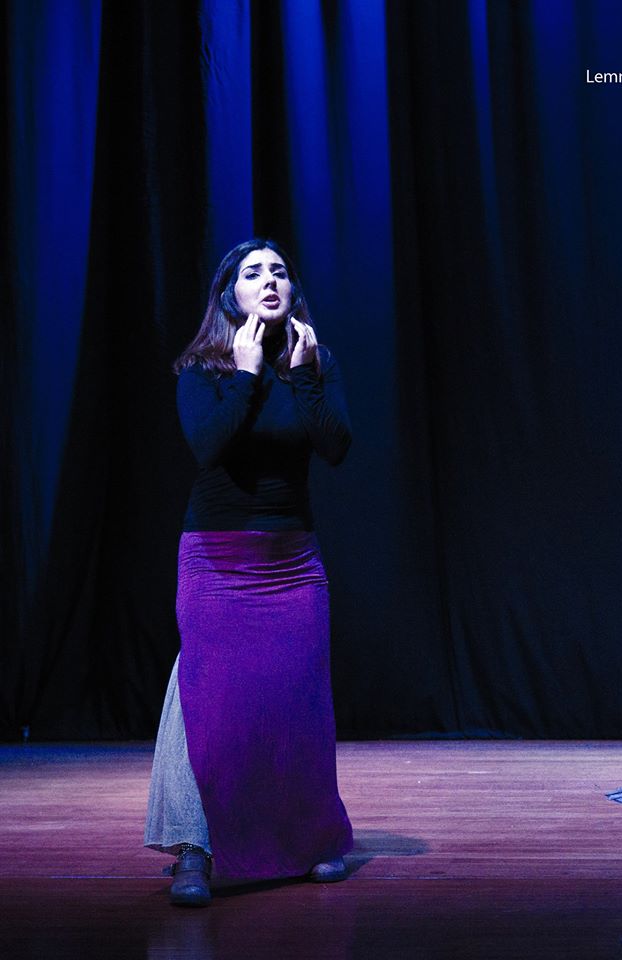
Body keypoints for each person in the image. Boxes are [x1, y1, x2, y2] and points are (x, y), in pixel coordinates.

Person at [144, 238, 353, 906]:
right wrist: (245, 371)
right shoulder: (203, 367)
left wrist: (305, 373)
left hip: (292, 564)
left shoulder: (313, 361)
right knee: (208, 698)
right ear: (228, 293)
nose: (270, 281)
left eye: (280, 272)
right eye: (253, 272)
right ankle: (194, 848)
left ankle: (309, 839)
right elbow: (209, 446)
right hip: (218, 559)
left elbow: (335, 446)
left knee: (296, 700)